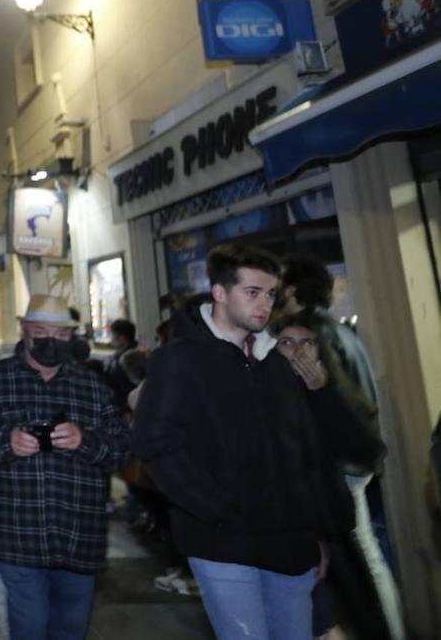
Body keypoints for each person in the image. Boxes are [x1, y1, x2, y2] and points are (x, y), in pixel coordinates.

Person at [132, 244, 380, 640]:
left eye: (270, 294)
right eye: (252, 292)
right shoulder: (179, 360)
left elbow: (312, 451)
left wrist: (312, 533)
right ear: (219, 292)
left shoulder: (278, 362)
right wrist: (216, 509)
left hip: (290, 542)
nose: (264, 304)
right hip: (223, 542)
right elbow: (154, 444)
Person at [0, 294, 130, 639]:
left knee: (71, 627)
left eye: (62, 334)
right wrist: (6, 442)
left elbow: (122, 450)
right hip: (18, 533)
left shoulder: (92, 387)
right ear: (24, 331)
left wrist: (86, 441)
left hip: (79, 533)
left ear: (72, 336)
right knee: (30, 626)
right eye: (41, 331)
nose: (52, 340)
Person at [280, 254, 402, 640]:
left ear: (294, 291)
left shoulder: (313, 334)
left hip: (341, 463)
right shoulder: (341, 330)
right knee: (362, 554)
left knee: (362, 557)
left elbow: (322, 401)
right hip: (357, 456)